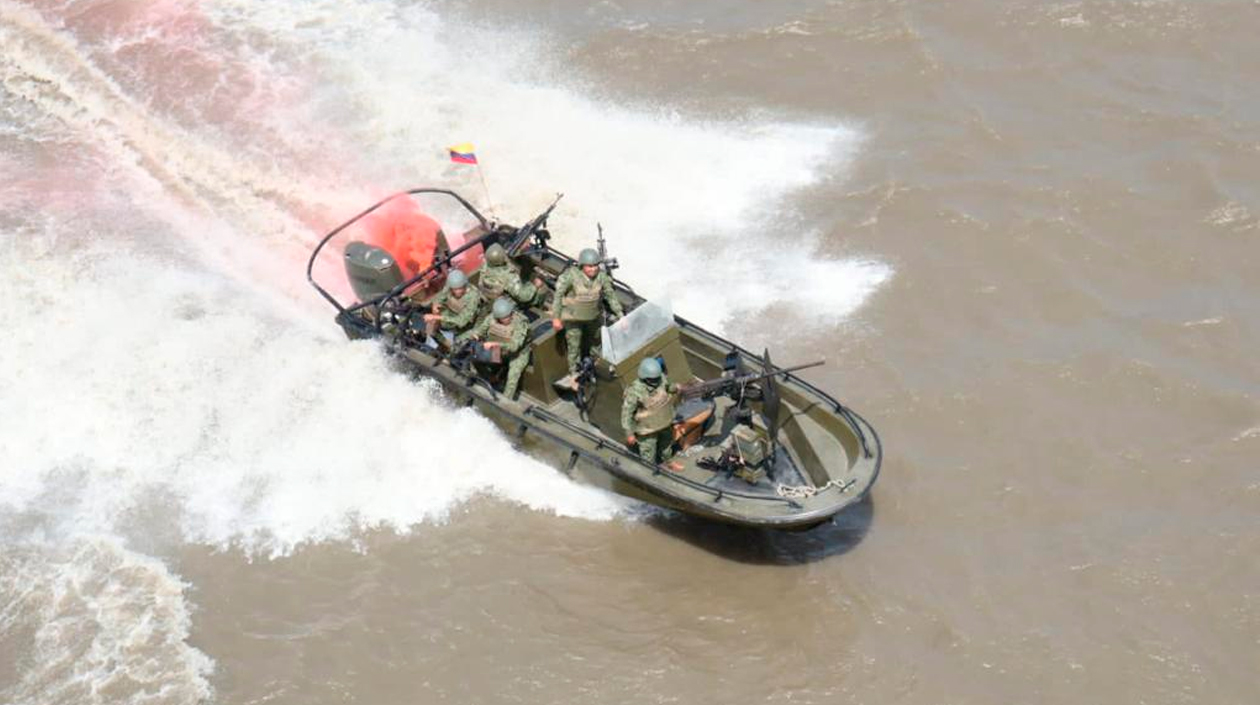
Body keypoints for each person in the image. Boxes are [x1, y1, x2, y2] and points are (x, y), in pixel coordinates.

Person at [551, 248, 624, 384]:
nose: (593, 269)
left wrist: (621, 315)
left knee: (596, 344)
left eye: (596, 265)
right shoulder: (571, 276)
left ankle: (595, 367)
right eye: (590, 266)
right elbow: (558, 295)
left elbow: (610, 296)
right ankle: (574, 374)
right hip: (573, 318)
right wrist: (556, 317)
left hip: (593, 317)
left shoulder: (601, 277)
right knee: (574, 347)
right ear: (582, 266)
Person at [457, 296, 531, 399]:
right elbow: (480, 330)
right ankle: (491, 378)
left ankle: (506, 402)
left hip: (518, 354)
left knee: (512, 377)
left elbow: (515, 346)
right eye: (503, 318)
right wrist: (476, 335)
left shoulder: (521, 322)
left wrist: (495, 344)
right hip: (499, 351)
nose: (506, 319)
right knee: (475, 359)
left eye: (508, 316)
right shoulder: (491, 318)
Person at [621, 357, 682, 471]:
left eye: (656, 378)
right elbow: (626, 413)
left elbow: (668, 387)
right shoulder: (634, 391)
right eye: (652, 379)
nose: (655, 381)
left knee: (666, 445)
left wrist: (676, 387)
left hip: (664, 422)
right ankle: (649, 471)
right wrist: (629, 433)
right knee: (648, 451)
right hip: (647, 429)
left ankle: (668, 462)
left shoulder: (661, 379)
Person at [477, 243, 544, 310]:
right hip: (507, 306)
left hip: (491, 299)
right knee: (543, 289)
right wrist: (535, 285)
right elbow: (524, 296)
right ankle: (539, 309)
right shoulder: (508, 277)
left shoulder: (485, 266)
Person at [421, 269, 480, 338]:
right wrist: (435, 304)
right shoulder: (451, 285)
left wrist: (436, 317)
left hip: (465, 320)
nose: (458, 292)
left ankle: (445, 334)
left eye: (460, 288)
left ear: (465, 284)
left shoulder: (473, 296)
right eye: (455, 289)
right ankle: (429, 334)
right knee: (433, 318)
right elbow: (442, 296)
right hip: (452, 311)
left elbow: (461, 320)